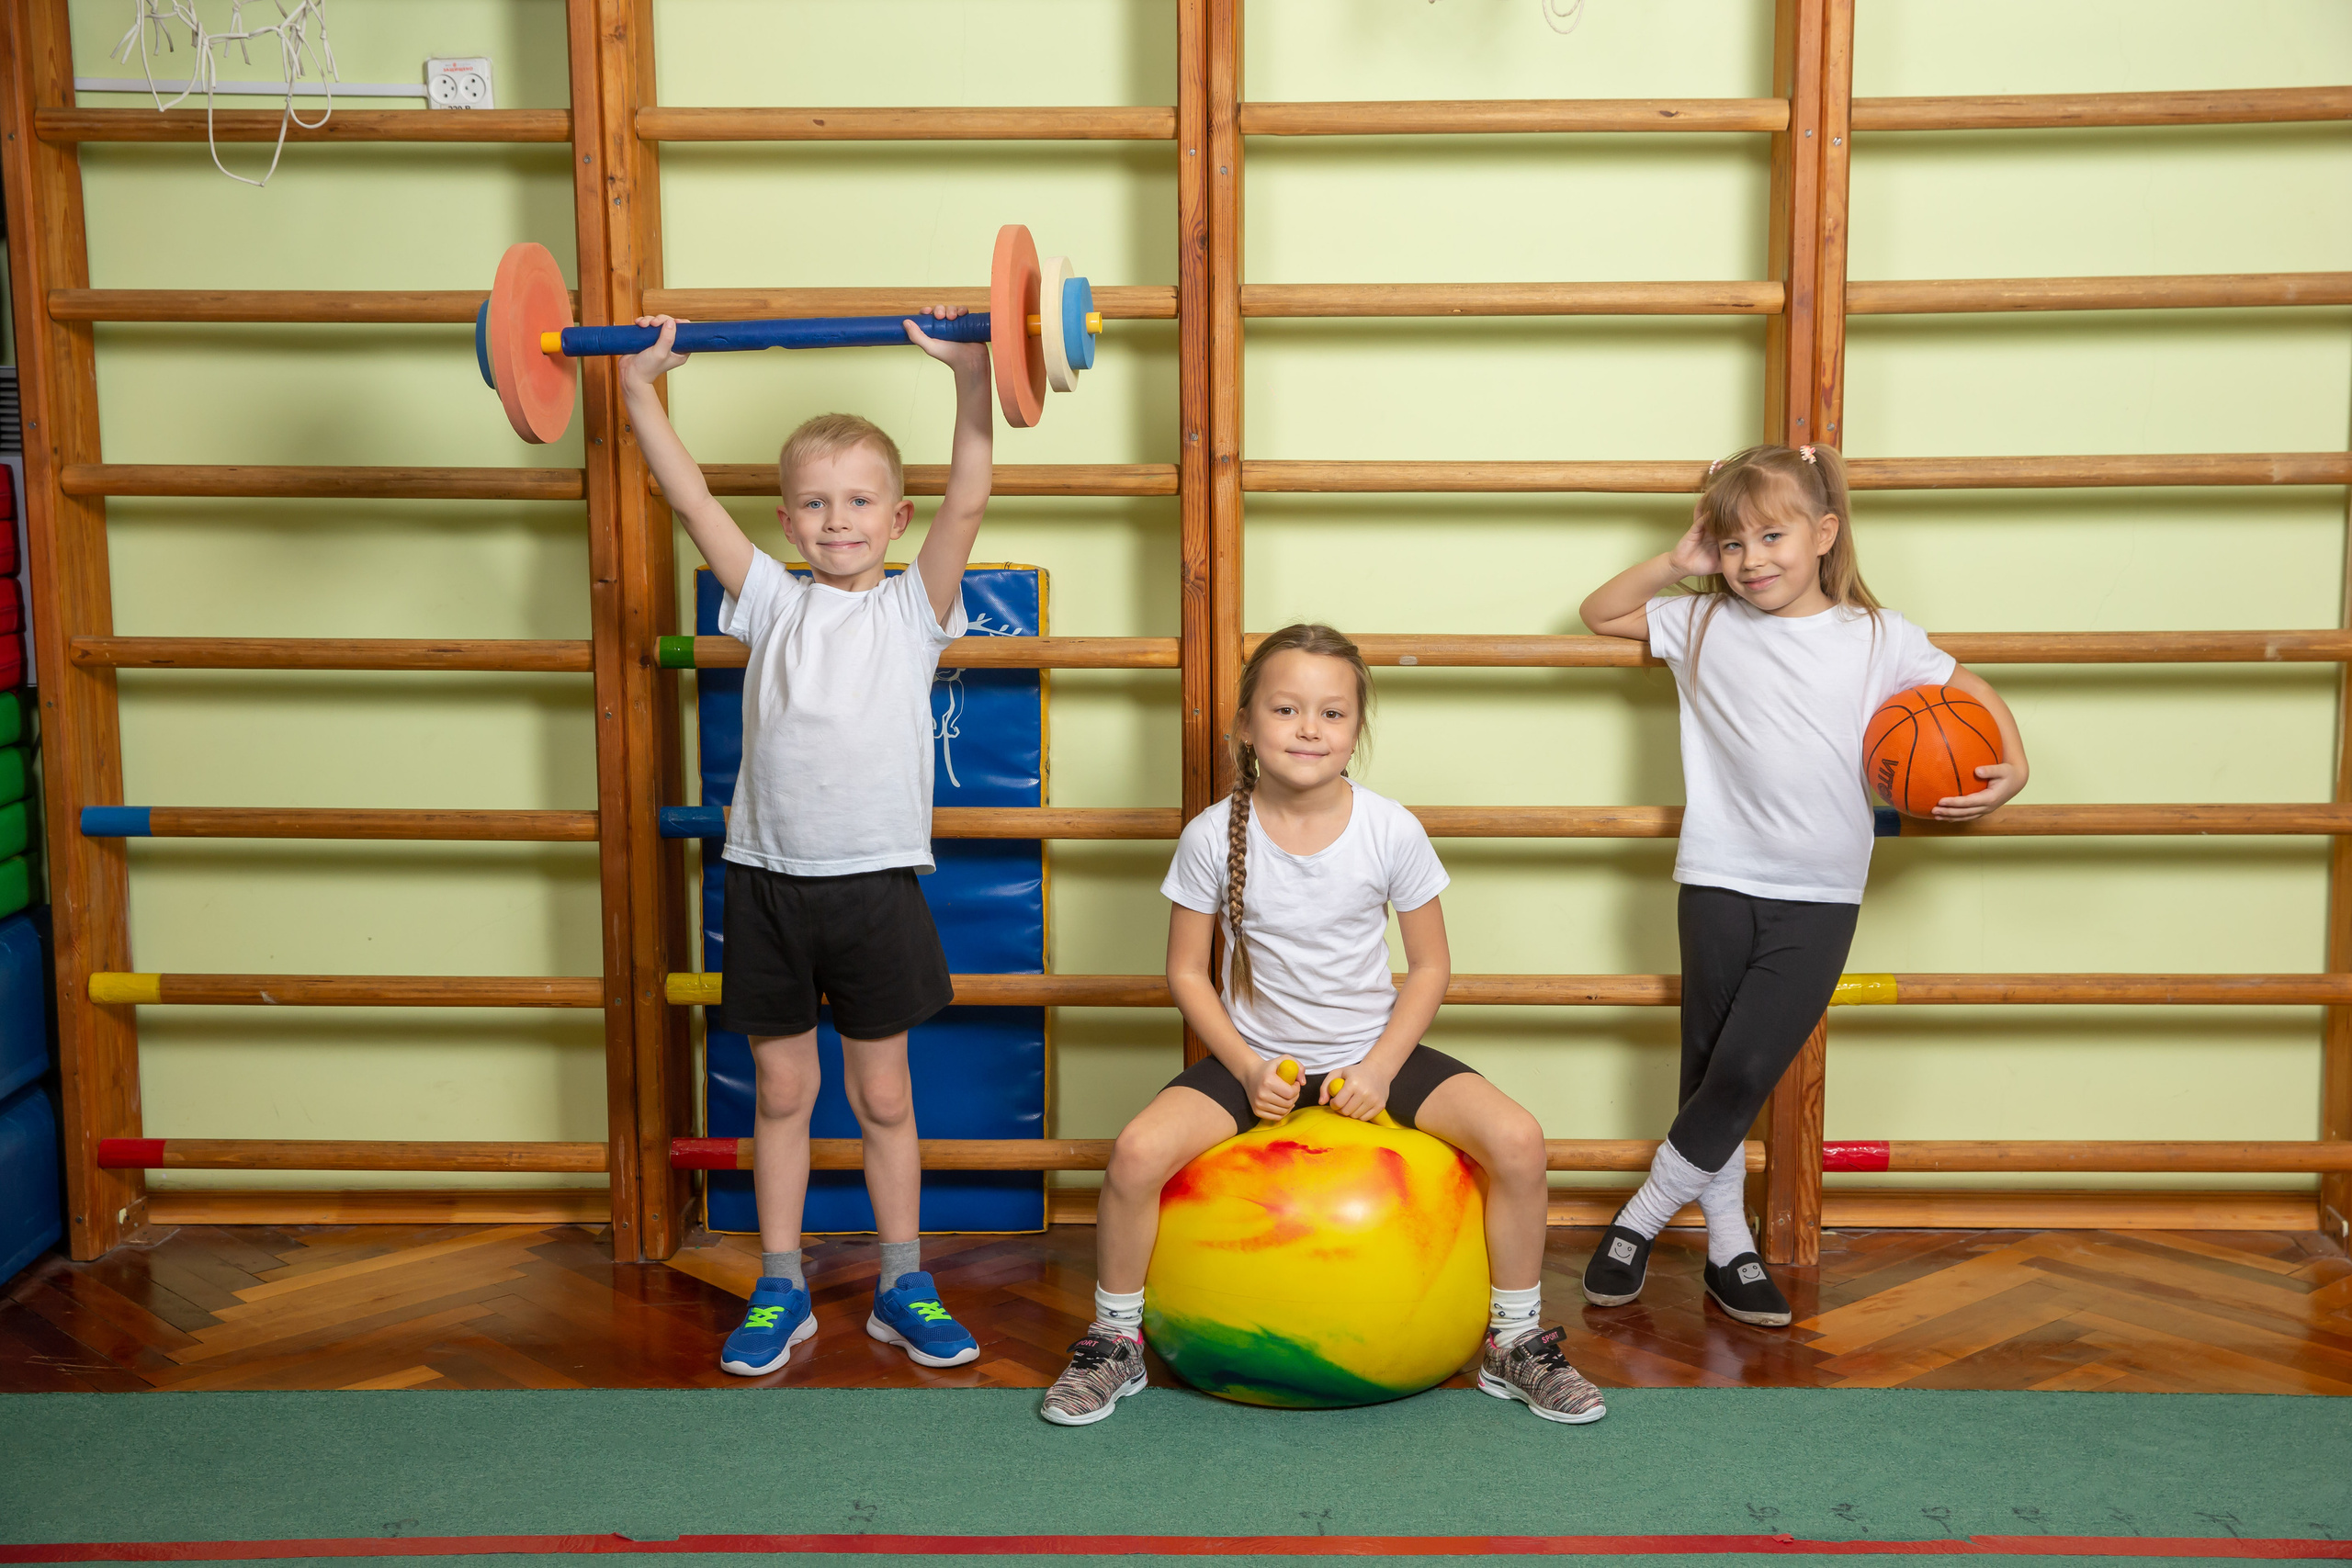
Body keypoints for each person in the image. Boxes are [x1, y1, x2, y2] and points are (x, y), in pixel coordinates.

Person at [1040, 624, 1607, 1427]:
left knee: (1517, 1139)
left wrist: (1378, 1068)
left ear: (1355, 731)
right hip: (1254, 1062)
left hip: (1372, 1052)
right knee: (1134, 1154)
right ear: (1245, 724)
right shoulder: (1210, 834)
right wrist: (1242, 1066)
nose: (1309, 727)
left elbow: (1432, 966)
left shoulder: (1389, 828)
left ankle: (1513, 1342)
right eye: (1286, 708)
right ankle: (1116, 1340)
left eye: (1333, 713)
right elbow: (1184, 972)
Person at [620, 306, 993, 1376]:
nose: (839, 521)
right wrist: (643, 387)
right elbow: (688, 498)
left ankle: (901, 1280)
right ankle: (779, 1281)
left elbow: (971, 496)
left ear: (896, 517)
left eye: (861, 502)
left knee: (884, 1095)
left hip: (873, 888)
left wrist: (971, 377)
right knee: (782, 1094)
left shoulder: (915, 610)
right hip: (769, 886)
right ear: (786, 522)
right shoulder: (770, 604)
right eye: (817, 505)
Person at [1577, 443, 2028, 1325]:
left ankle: (1636, 1220)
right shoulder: (1701, 621)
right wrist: (1679, 560)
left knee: (1746, 1067)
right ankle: (1727, 1249)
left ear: (1825, 533)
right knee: (1707, 1073)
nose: (1752, 562)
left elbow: (1963, 682)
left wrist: (2014, 761)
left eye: (1773, 537)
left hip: (1821, 892)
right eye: (1734, 544)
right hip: (1714, 877)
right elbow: (1601, 612)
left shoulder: (1877, 636)